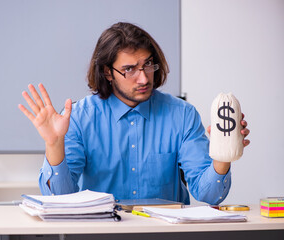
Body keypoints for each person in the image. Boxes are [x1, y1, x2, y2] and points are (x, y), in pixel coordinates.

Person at [18, 22, 250, 205]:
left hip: (164, 235)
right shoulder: (80, 117)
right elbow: (61, 197)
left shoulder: (182, 115)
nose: (144, 77)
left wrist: (222, 155)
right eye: (129, 69)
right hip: (100, 234)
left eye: (148, 64)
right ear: (108, 73)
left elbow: (209, 195)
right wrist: (54, 144)